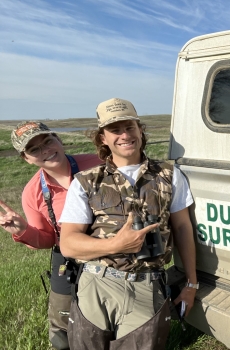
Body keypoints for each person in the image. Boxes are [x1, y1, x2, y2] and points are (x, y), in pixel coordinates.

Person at [59, 98, 197, 350]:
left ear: (140, 129)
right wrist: (116, 244)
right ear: (103, 138)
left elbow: (183, 228)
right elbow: (68, 244)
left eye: (130, 127)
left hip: (147, 286)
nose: (124, 135)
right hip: (96, 284)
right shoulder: (86, 181)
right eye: (115, 129)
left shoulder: (170, 175)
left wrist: (191, 283)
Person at [0, 121, 102, 349]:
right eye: (34, 149)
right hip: (68, 255)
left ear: (59, 140)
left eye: (48, 141)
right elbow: (46, 239)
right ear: (26, 159)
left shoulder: (98, 163)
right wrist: (22, 231)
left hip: (111, 248)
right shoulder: (33, 192)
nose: (45, 150)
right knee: (62, 320)